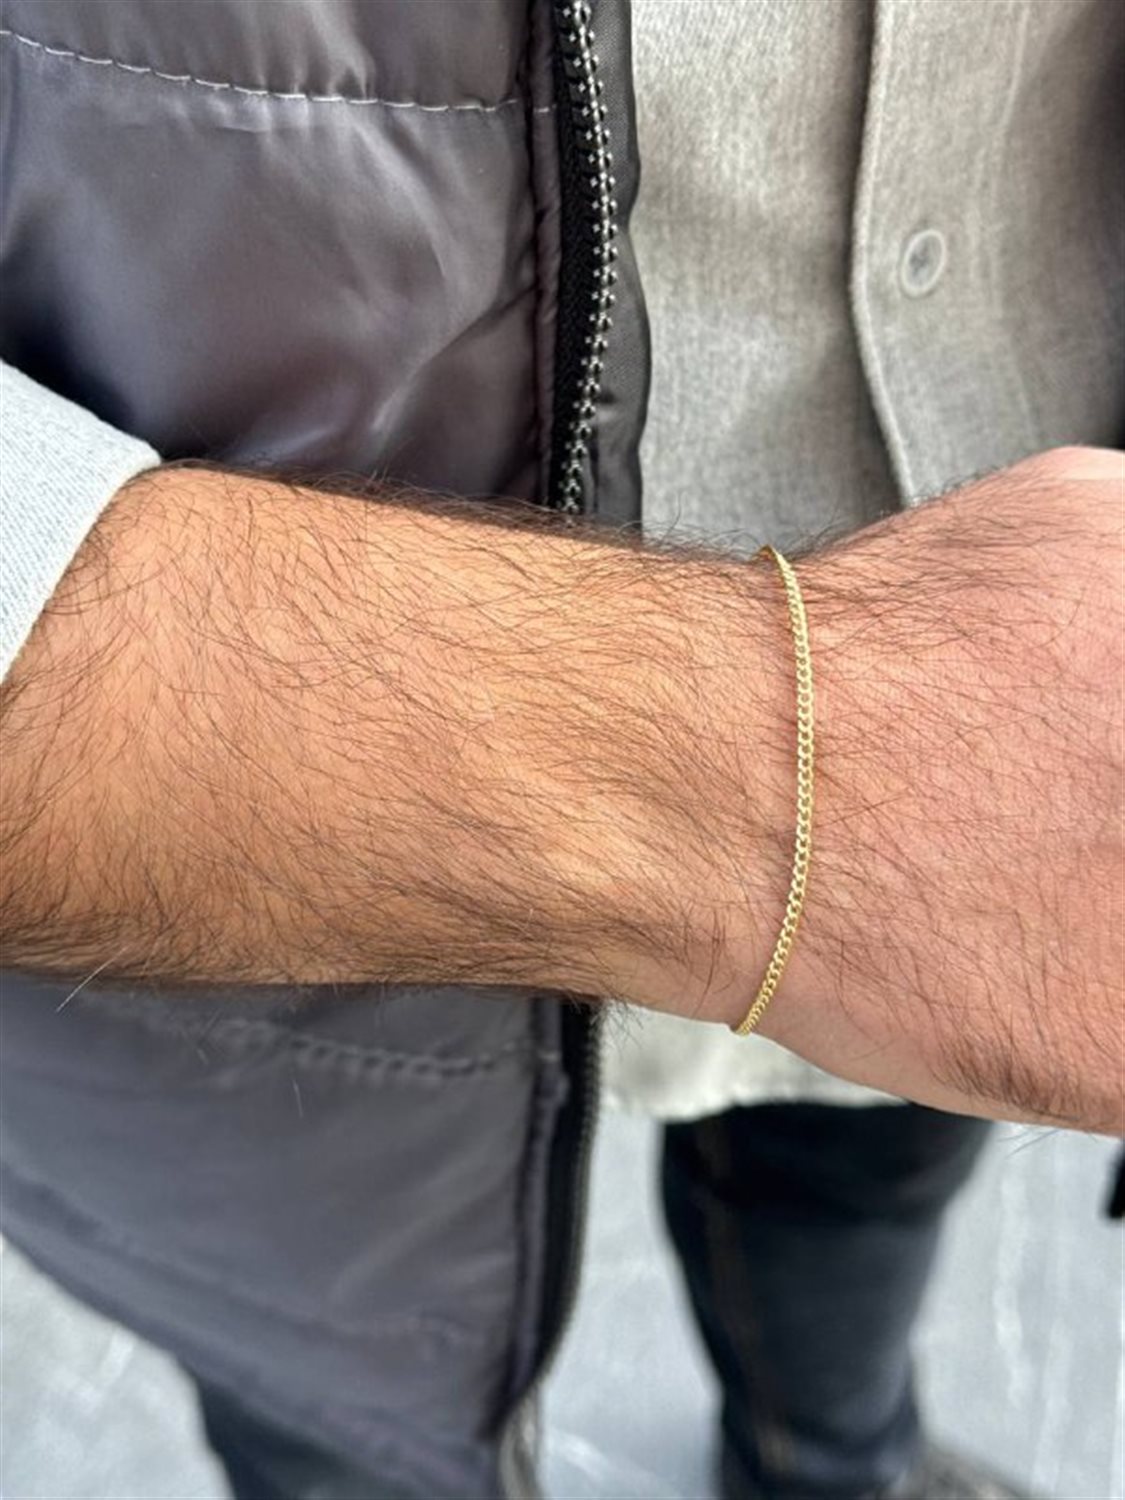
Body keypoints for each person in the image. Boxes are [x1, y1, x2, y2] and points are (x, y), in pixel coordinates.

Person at [0, 3, 1120, 1499]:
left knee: (856, 1194)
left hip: (1021, 706)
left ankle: (829, 1458)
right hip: (253, 919)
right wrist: (748, 772)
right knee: (340, 1410)